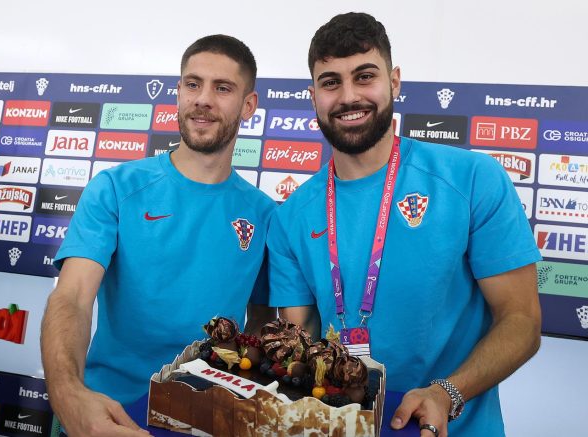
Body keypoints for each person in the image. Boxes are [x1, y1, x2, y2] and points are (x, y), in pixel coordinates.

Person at [267, 12, 542, 437]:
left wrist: (447, 393)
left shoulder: (472, 179)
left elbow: (521, 320)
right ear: (313, 96)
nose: (348, 97)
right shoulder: (290, 217)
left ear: (394, 82)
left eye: (365, 76)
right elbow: (299, 342)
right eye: (331, 82)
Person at [41, 35, 276, 437]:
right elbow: (73, 297)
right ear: (179, 92)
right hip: (107, 415)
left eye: (222, 88)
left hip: (208, 420)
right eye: (193, 84)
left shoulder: (266, 216)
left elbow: (260, 322)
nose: (203, 99)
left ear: (248, 105)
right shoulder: (115, 188)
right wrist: (68, 396)